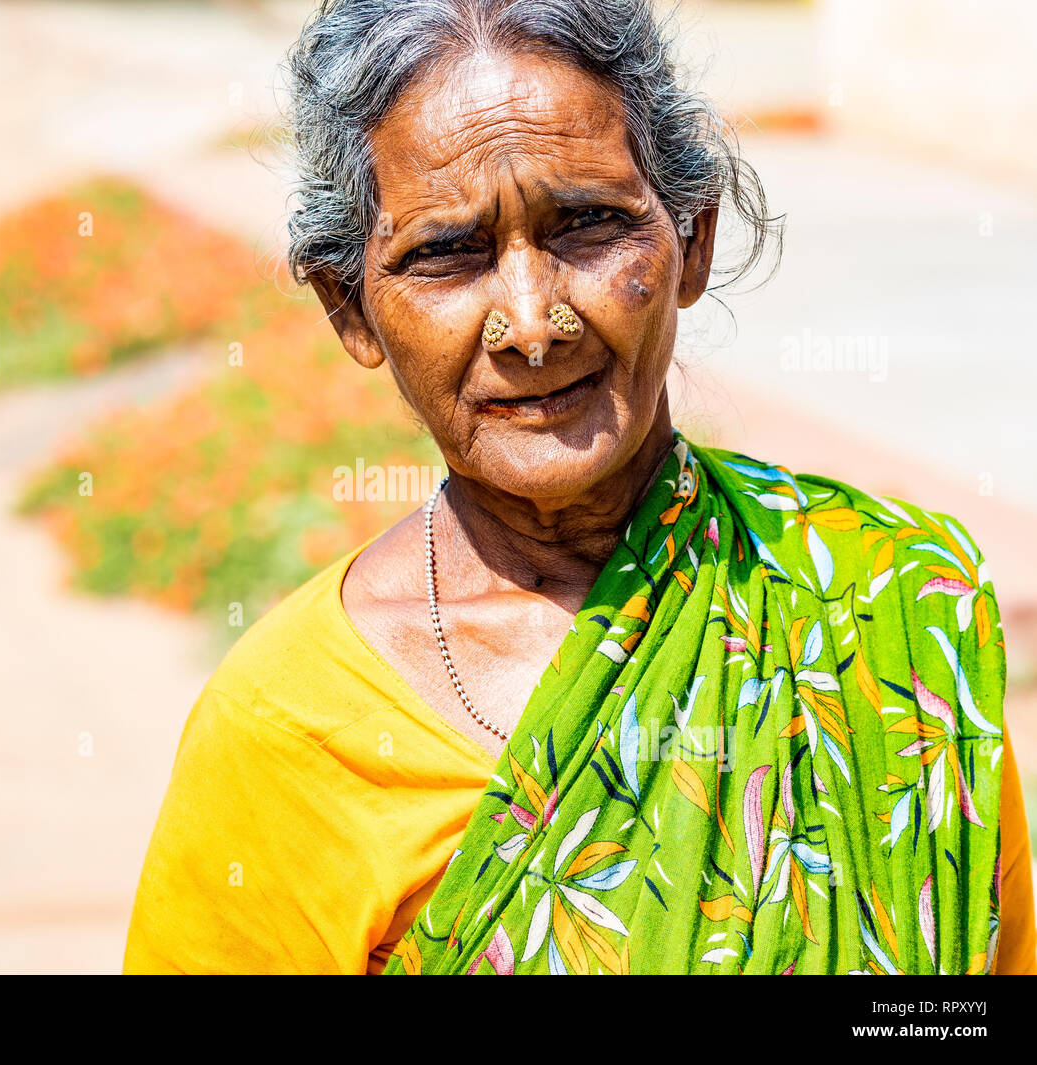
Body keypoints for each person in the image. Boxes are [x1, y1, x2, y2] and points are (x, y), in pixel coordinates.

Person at [124, 0, 1035, 974]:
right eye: (445, 253)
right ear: (351, 308)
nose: (531, 322)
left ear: (691, 240)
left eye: (591, 226)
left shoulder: (886, 599)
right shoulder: (288, 735)